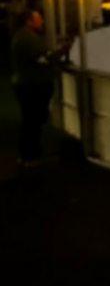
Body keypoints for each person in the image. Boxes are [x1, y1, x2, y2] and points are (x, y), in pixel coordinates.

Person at [10, 10, 73, 168]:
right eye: (38, 19)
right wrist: (62, 51)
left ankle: (29, 155)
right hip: (33, 86)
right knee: (33, 121)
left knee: (31, 121)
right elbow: (43, 59)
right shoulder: (27, 39)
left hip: (29, 84)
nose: (42, 22)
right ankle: (31, 156)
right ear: (28, 21)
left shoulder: (24, 37)